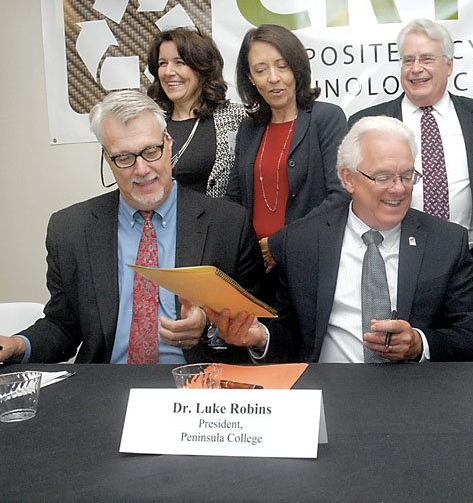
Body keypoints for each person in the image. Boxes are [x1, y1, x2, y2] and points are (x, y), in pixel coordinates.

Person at [0, 90, 264, 364]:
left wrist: (208, 327)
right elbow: (63, 326)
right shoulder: (70, 230)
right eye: (124, 158)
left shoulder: (227, 224)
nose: (141, 169)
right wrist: (18, 345)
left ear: (168, 143)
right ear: (107, 158)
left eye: (150, 151)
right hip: (107, 381)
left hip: (197, 381)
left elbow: (257, 324)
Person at [208, 116, 473, 363]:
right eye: (384, 177)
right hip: (328, 388)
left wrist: (419, 344)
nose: (399, 189)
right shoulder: (303, 242)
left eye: (407, 176)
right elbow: (292, 338)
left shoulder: (446, 243)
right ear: (348, 178)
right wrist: (261, 338)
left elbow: (470, 340)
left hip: (414, 391)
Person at [348, 19, 473, 361]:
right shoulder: (368, 124)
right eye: (408, 60)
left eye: (426, 59)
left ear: (449, 65)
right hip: (395, 264)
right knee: (396, 362)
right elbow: (345, 196)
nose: (416, 68)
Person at [226, 25, 350, 306]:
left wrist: (280, 244)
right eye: (261, 70)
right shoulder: (249, 128)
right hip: (255, 267)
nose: (273, 78)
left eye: (282, 66)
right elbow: (235, 198)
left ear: (297, 68)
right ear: (250, 78)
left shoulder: (326, 118)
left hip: (309, 263)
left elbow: (341, 196)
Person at [146, 27, 246, 197]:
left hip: (218, 213)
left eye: (179, 62)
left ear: (202, 68)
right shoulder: (149, 123)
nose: (169, 72)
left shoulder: (236, 118)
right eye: (162, 63)